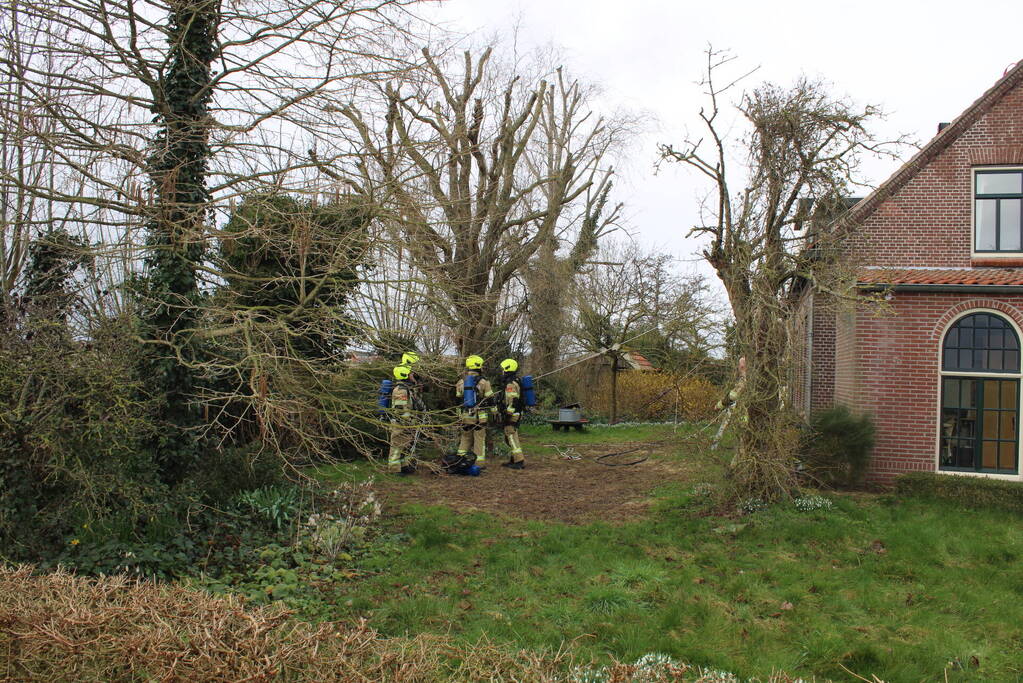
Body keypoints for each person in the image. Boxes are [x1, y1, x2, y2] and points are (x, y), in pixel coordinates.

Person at [455, 354, 494, 467]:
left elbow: (458, 399)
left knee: (465, 439)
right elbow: (490, 399)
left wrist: (459, 415)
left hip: (465, 416)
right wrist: (494, 412)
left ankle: (459, 462)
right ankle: (478, 464)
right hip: (479, 417)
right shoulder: (484, 382)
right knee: (479, 440)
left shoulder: (461, 382)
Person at [387, 365, 418, 474]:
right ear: (405, 375)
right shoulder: (401, 390)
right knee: (396, 447)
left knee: (405, 445)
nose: (412, 376)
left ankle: (404, 466)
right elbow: (400, 411)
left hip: (406, 423)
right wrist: (406, 423)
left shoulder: (405, 389)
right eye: (410, 374)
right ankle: (394, 469)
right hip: (400, 424)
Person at [497, 358, 527, 469]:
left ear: (507, 369)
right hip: (516, 413)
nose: (502, 371)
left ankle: (519, 461)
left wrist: (508, 415)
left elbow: (513, 401)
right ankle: (514, 459)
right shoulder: (515, 380)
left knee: (511, 436)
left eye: (503, 369)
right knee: (509, 437)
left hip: (513, 414)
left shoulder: (510, 384)